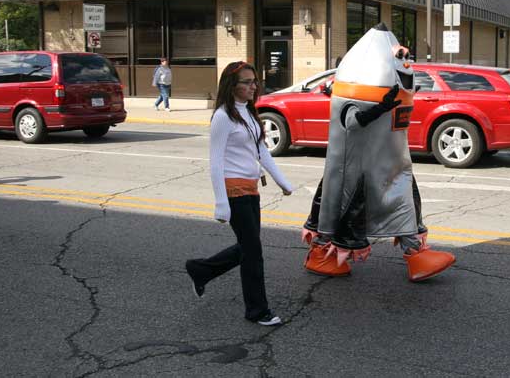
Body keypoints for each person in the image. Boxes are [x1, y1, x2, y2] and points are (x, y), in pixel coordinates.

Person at [302, 23, 455, 281]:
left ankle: (416, 255)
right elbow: (351, 122)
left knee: (406, 203)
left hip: (393, 161)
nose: (405, 63)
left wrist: (398, 100)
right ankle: (320, 254)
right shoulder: (356, 92)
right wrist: (381, 108)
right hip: (354, 169)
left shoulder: (391, 81)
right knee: (340, 209)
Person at [185, 61, 294, 326]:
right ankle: (257, 311)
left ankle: (201, 269)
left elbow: (261, 151)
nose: (253, 86)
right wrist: (221, 202)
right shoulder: (223, 115)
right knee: (253, 253)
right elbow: (216, 161)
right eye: (246, 82)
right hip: (234, 192)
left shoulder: (249, 112)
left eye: (254, 81)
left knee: (248, 246)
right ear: (231, 85)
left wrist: (283, 181)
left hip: (251, 190)